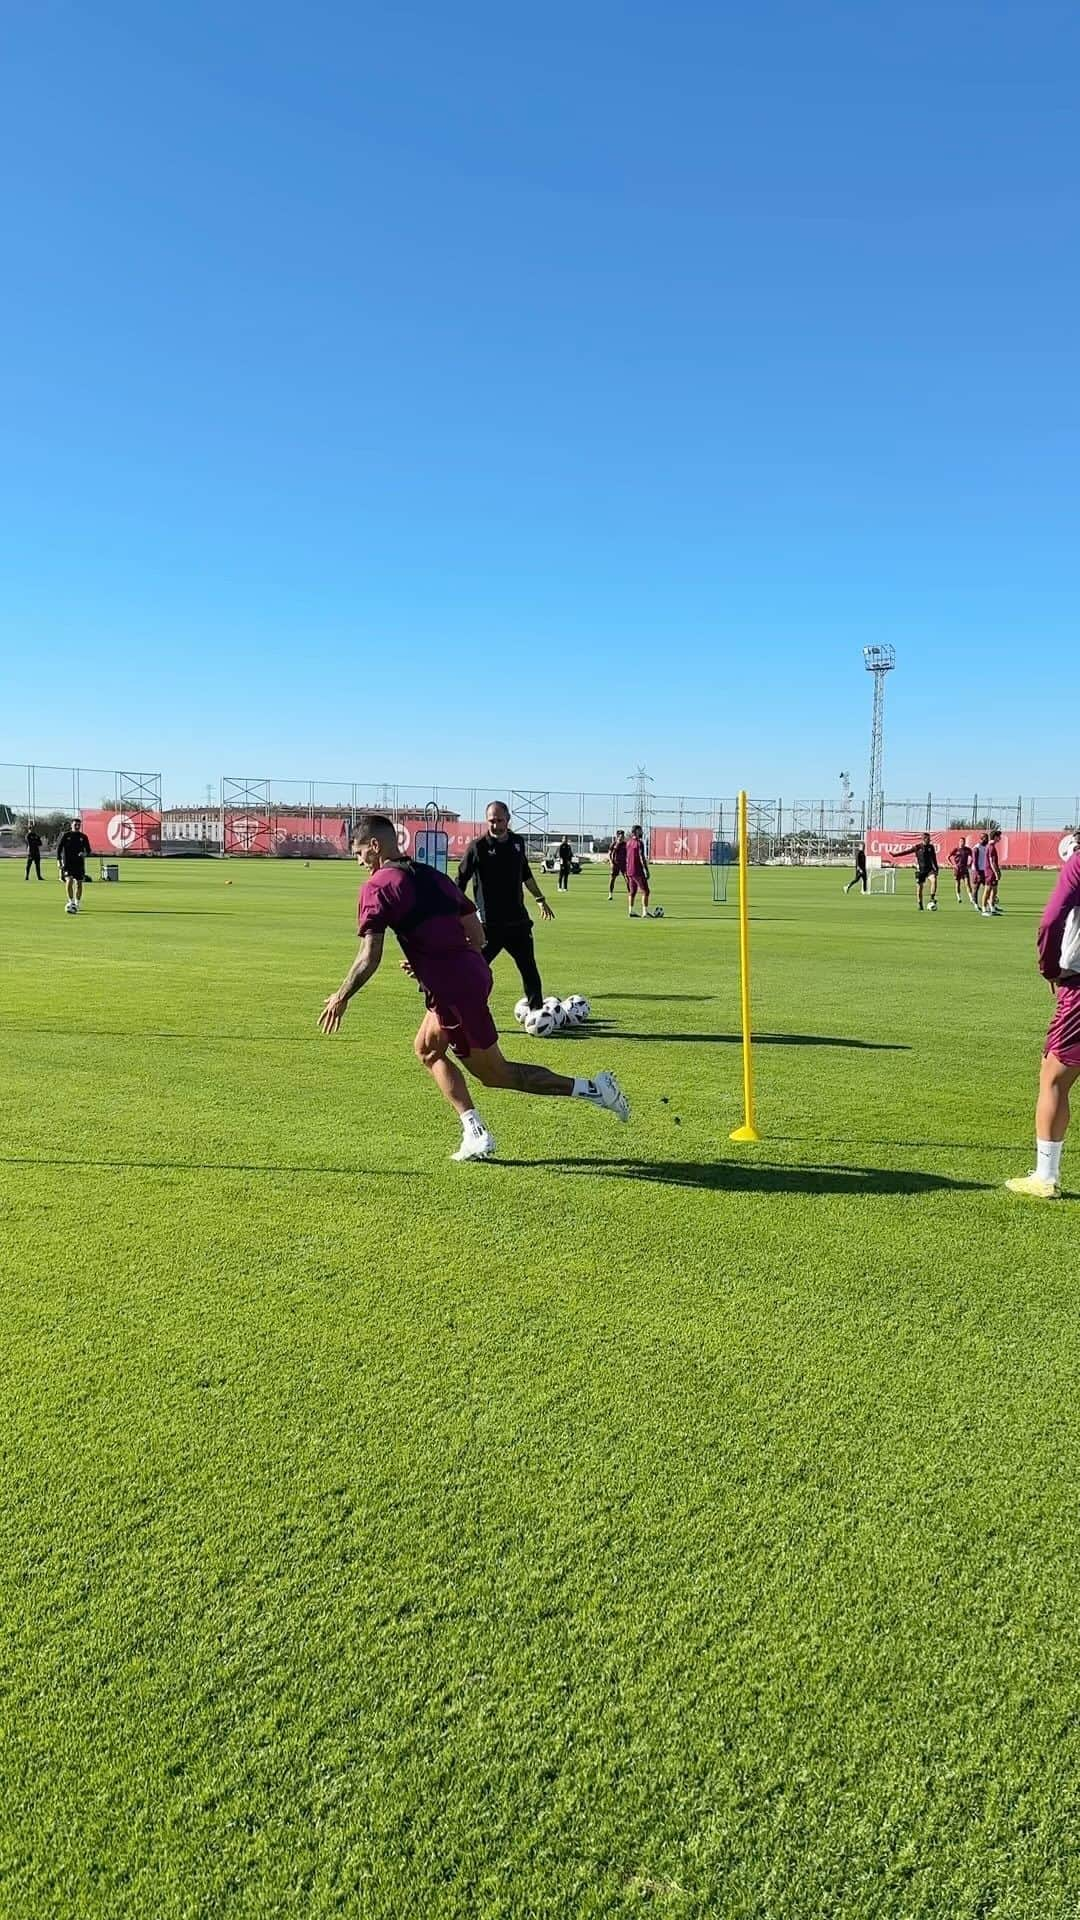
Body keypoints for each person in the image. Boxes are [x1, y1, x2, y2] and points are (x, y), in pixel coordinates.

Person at [319, 815, 629, 1162]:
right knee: (426, 1049)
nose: (359, 861)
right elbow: (477, 934)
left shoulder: (376, 887)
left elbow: (369, 957)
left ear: (374, 847)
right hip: (473, 973)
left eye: (359, 852)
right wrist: (436, 958)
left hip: (454, 989)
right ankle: (473, 1129)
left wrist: (341, 995)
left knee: (496, 1074)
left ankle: (594, 1089)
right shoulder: (432, 875)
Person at [1006, 837, 1080, 1200]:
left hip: (1079, 987)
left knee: (1053, 1077)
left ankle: (1045, 1176)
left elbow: (1052, 919)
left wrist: (1050, 968)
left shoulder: (1078, 864)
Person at [456, 801, 553, 1013]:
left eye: (500, 820)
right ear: (486, 820)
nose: (495, 824)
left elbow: (525, 874)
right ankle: (467, 1009)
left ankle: (537, 1012)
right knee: (475, 970)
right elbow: (460, 882)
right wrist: (455, 914)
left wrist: (539, 898)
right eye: (491, 820)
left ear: (508, 820)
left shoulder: (518, 843)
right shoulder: (477, 847)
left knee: (529, 967)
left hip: (518, 922)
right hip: (488, 925)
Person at [893, 832, 939, 910]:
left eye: (929, 838)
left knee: (934, 879)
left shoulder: (931, 847)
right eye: (928, 838)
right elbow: (906, 852)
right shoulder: (917, 847)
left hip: (929, 869)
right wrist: (896, 855)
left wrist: (936, 868)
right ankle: (920, 904)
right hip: (920, 870)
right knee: (919, 889)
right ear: (924, 839)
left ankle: (932, 898)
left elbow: (934, 858)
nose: (930, 840)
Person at [56, 817, 91, 914]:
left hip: (79, 863)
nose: (77, 826)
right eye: (75, 825)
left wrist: (84, 854)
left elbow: (88, 850)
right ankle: (71, 901)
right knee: (69, 880)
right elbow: (59, 848)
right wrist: (59, 860)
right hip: (68, 863)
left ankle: (77, 902)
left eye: (79, 825)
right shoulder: (66, 835)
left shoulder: (83, 837)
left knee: (79, 883)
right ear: (71, 825)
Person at [625, 824, 651, 918]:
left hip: (629, 870)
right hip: (637, 870)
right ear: (636, 831)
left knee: (632, 892)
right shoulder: (639, 843)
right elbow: (641, 856)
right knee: (646, 891)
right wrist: (646, 869)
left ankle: (631, 911)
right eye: (640, 831)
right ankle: (645, 912)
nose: (642, 832)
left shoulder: (628, 842)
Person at [948, 836, 975, 907]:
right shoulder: (956, 849)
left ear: (965, 842)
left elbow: (972, 857)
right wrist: (953, 865)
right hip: (957, 869)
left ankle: (971, 898)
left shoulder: (967, 850)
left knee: (967, 884)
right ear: (959, 842)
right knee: (958, 883)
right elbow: (948, 857)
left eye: (963, 841)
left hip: (964, 869)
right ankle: (959, 897)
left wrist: (970, 864)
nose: (962, 843)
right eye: (960, 841)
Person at [983, 829, 1003, 916]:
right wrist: (996, 872)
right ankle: (984, 908)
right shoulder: (991, 847)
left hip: (993, 872)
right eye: (999, 836)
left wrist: (998, 871)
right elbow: (992, 862)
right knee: (988, 889)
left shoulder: (992, 846)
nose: (1000, 838)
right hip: (989, 872)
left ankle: (992, 907)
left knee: (994, 890)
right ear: (995, 837)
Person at [608, 830, 628, 901]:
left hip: (624, 864)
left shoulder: (626, 844)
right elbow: (609, 854)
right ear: (617, 836)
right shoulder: (613, 844)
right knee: (612, 879)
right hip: (615, 864)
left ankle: (630, 894)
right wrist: (611, 863)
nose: (622, 837)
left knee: (627, 879)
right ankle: (610, 894)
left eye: (623, 836)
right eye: (620, 836)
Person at [972, 834, 990, 909]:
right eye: (986, 838)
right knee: (976, 887)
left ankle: (990, 903)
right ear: (981, 839)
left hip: (984, 870)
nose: (987, 840)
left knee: (988, 887)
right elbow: (975, 861)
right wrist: (977, 872)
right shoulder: (976, 848)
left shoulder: (986, 847)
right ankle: (975, 903)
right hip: (978, 870)